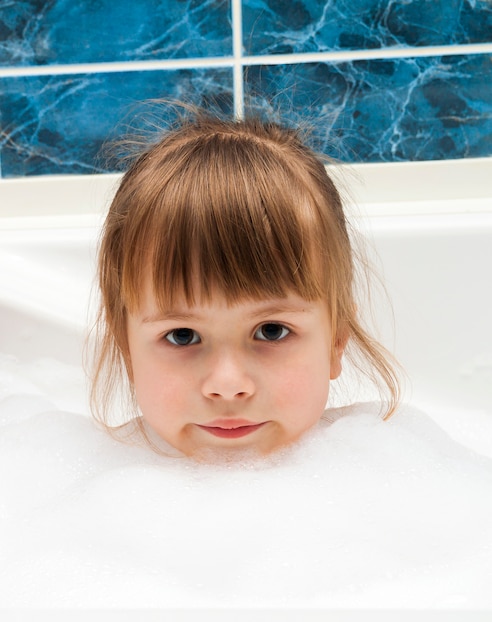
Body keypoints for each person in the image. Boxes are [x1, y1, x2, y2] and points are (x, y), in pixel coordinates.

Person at [90, 111, 400, 458]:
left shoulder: (378, 477)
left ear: (336, 342)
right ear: (127, 349)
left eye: (271, 330)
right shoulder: (98, 490)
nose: (228, 385)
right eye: (182, 335)